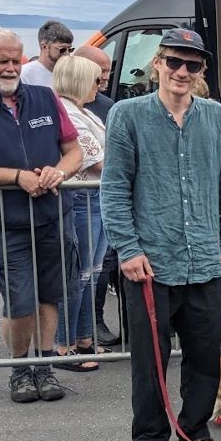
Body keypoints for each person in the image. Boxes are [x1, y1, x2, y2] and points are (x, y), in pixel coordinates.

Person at [100, 28, 221, 441]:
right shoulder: (127, 115)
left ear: (201, 71)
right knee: (150, 359)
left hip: (203, 259)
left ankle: (195, 431)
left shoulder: (216, 117)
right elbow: (114, 188)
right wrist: (127, 249)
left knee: (204, 356)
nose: (182, 71)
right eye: (174, 62)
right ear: (158, 62)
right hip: (150, 263)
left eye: (192, 65)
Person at [0, 27, 81, 404]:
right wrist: (16, 178)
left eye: (15, 60)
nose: (10, 67)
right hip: (6, 224)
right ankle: (20, 370)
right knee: (20, 302)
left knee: (51, 296)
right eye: (1, 61)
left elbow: (73, 151)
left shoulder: (45, 97)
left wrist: (59, 171)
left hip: (53, 217)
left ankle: (45, 366)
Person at [51, 56, 108, 373]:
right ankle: (64, 344)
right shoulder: (69, 113)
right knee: (79, 273)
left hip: (95, 195)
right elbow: (96, 160)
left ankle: (84, 337)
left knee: (93, 272)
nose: (99, 85)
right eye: (94, 80)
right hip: (83, 195)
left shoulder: (82, 111)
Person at [75, 45, 123, 348]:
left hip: (111, 195)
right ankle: (89, 324)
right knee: (92, 267)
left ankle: (121, 325)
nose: (105, 78)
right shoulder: (67, 106)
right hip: (85, 198)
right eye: (100, 72)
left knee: (109, 263)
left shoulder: (107, 105)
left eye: (107, 71)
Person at [20, 20, 73, 89]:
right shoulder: (25, 75)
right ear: (44, 46)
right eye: (62, 49)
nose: (67, 54)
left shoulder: (71, 75)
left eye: (70, 49)